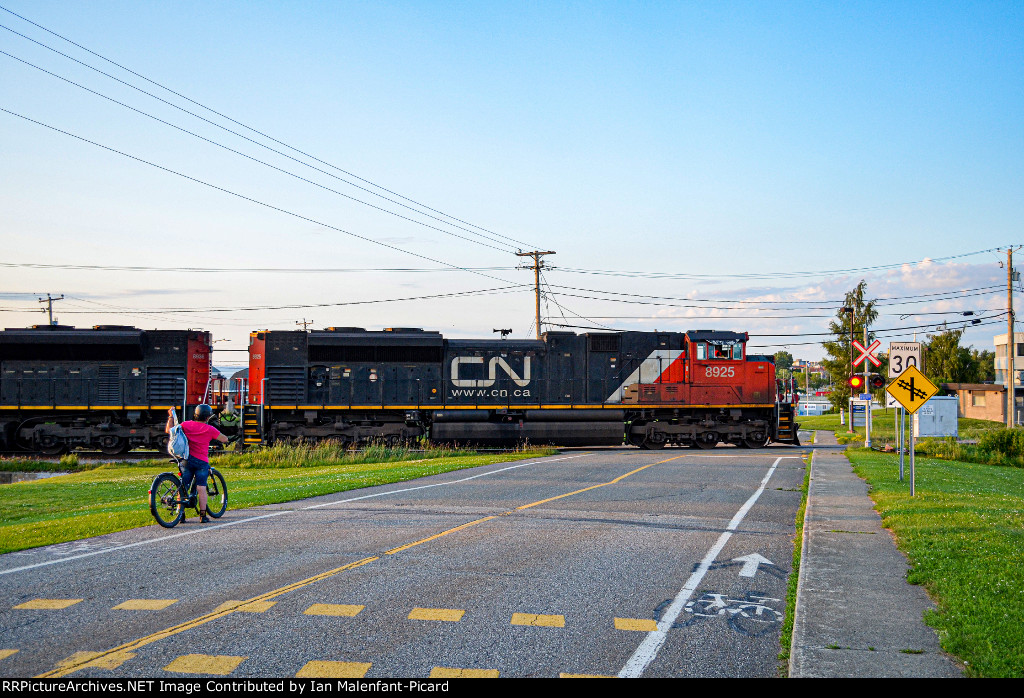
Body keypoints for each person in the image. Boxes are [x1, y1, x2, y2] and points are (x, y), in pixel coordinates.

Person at [165, 404, 228, 523]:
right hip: (201, 463)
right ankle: (203, 516)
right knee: (201, 488)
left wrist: (171, 417)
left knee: (183, 486)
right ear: (208, 417)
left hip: (186, 460)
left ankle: (180, 513)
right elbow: (224, 439)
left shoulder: (186, 424)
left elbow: (169, 430)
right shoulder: (209, 429)